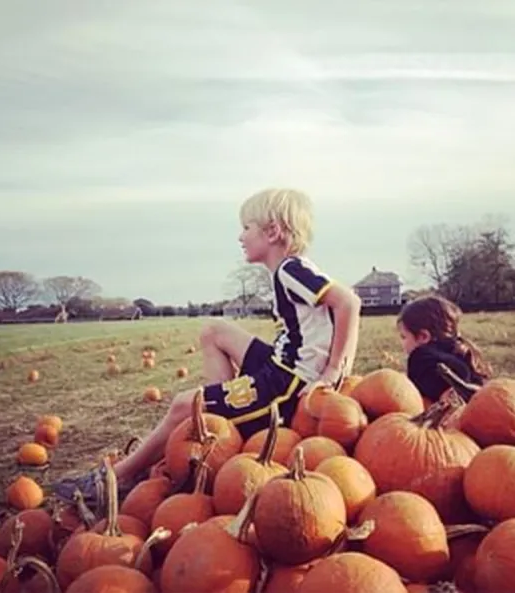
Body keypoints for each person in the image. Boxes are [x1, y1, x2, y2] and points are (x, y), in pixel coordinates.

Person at [52, 188, 362, 504]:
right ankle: (225, 427)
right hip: (282, 364)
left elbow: (349, 302)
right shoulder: (291, 269)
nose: (240, 237)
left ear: (272, 232)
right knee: (215, 331)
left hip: (287, 384)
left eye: (246, 228)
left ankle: (116, 479)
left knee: (185, 406)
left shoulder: (290, 270)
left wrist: (335, 369)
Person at [396, 294, 491, 403]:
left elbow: (413, 399)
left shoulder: (420, 357)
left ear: (423, 336)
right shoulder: (461, 352)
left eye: (404, 337)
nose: (401, 343)